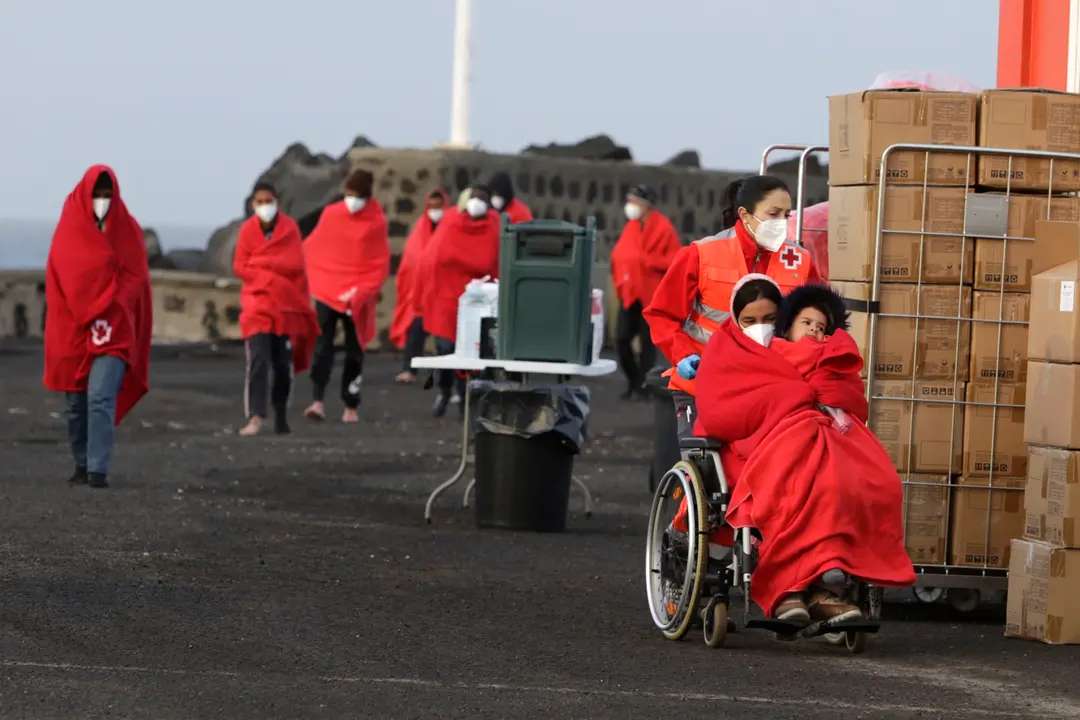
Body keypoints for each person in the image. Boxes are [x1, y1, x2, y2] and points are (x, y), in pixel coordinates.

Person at [692, 281, 915, 624]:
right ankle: (800, 585)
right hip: (759, 444)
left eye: (769, 317)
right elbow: (722, 412)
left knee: (856, 483)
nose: (760, 326)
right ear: (736, 317)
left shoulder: (805, 353)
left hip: (818, 439)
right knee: (803, 485)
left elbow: (850, 397)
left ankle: (820, 582)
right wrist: (796, 395)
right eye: (750, 320)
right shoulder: (728, 353)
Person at [643, 175, 821, 413]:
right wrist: (683, 355)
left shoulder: (800, 261)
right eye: (773, 213)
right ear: (745, 215)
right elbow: (662, 314)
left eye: (786, 215)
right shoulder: (701, 254)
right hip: (705, 385)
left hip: (774, 391)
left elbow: (818, 320)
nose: (781, 222)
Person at [43, 165, 153, 489]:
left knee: (100, 397)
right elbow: (59, 277)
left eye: (108, 195)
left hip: (114, 328)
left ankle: (97, 469)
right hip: (74, 328)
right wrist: (85, 308)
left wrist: (110, 301)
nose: (102, 201)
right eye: (97, 195)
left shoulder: (127, 229)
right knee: (75, 403)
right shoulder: (69, 228)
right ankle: (80, 463)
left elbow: (137, 276)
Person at [233, 182, 321, 436]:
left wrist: (261, 264)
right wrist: (268, 276)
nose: (264, 207)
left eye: (268, 201)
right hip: (257, 305)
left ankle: (281, 415)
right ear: (252, 205)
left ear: (277, 202)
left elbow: (294, 263)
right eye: (259, 202)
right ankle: (256, 417)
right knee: (258, 361)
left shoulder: (290, 229)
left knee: (283, 365)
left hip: (286, 306)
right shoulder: (247, 231)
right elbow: (240, 266)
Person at [302, 169, 390, 423]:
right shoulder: (332, 214)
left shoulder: (377, 221)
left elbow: (378, 262)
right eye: (348, 194)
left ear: (367, 196)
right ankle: (317, 400)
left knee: (354, 350)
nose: (352, 200)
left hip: (358, 296)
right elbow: (316, 245)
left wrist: (363, 290)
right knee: (322, 347)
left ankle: (351, 406)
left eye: (357, 196)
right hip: (328, 291)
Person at [421, 183, 501, 417]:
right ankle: (445, 392)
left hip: (479, 301)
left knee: (473, 355)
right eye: (473, 198)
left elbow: (488, 262)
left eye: (481, 199)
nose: (476, 203)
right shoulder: (451, 222)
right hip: (448, 298)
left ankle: (467, 402)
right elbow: (438, 255)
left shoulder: (494, 227)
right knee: (446, 350)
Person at [609, 184, 681, 399]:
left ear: (645, 204)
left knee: (648, 344)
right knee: (622, 340)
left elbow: (675, 260)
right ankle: (634, 381)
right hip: (630, 292)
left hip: (652, 295)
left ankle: (643, 387)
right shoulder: (631, 227)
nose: (630, 206)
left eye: (634, 201)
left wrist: (649, 261)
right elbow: (619, 255)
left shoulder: (664, 228)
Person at [390, 189, 448, 384]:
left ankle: (446, 380)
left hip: (443, 293)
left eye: (438, 206)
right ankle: (409, 369)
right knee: (415, 332)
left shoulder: (449, 228)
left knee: (445, 341)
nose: (435, 210)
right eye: (431, 206)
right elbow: (411, 259)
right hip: (422, 295)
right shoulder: (420, 228)